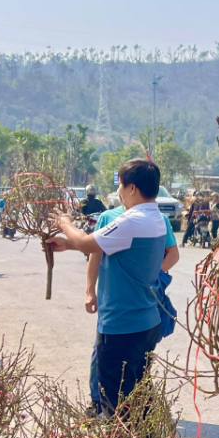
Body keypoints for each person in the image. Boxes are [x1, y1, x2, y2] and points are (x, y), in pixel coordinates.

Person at [48, 159, 168, 413]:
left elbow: (85, 243)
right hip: (145, 321)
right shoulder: (154, 217)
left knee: (114, 405)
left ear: (132, 188)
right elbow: (101, 245)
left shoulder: (132, 220)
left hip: (121, 326)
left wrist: (65, 223)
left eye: (121, 187)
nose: (119, 193)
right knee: (139, 398)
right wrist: (68, 244)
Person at [82, 192, 180, 415]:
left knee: (134, 364)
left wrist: (151, 277)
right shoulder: (109, 218)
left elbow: (172, 255)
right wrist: (90, 291)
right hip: (112, 305)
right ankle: (100, 402)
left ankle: (129, 422)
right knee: (103, 356)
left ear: (131, 188)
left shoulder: (158, 220)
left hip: (139, 311)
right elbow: (94, 255)